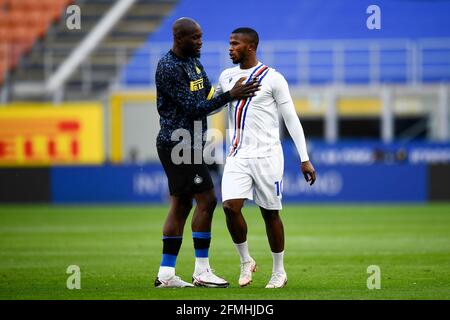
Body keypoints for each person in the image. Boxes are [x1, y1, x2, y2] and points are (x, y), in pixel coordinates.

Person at [154, 18, 261, 288]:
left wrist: (231, 86)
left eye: (201, 37)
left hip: (190, 143)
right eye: (195, 38)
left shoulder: (194, 63)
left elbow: (208, 97)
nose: (200, 42)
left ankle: (166, 274)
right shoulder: (168, 67)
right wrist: (230, 95)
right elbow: (193, 107)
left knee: (181, 205)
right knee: (208, 199)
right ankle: (202, 270)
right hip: (179, 143)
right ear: (179, 38)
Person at [215, 27, 316, 288]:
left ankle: (279, 271)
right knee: (229, 207)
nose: (230, 48)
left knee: (270, 214)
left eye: (235, 44)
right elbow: (212, 104)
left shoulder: (272, 78)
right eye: (230, 43)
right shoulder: (226, 77)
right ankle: (246, 260)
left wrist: (304, 158)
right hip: (237, 155)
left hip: (268, 156)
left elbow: (291, 119)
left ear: (250, 47)